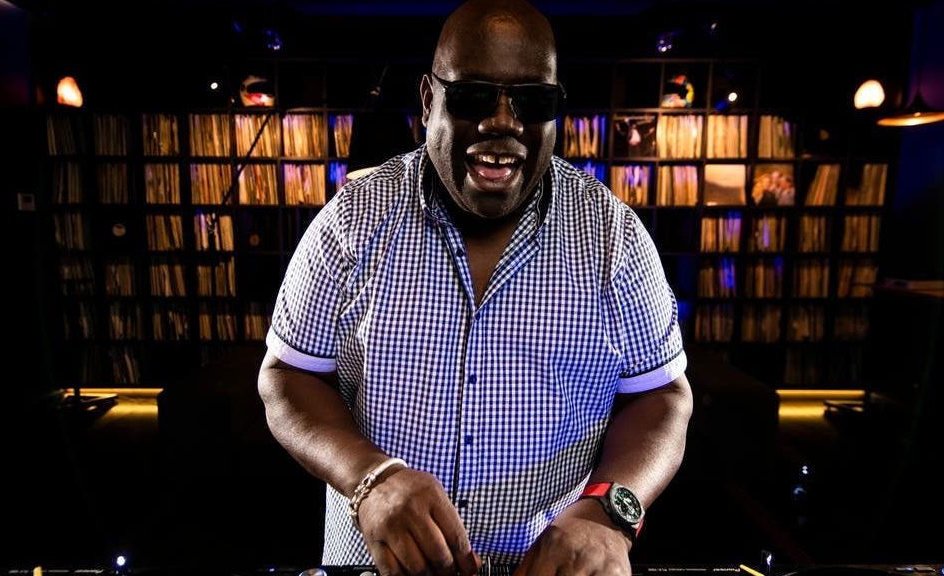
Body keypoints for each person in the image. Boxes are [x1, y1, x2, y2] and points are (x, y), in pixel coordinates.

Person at [257, 1, 693, 574]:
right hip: (375, 567)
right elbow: (286, 376)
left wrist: (607, 514)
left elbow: (662, 396)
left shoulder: (613, 237)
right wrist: (370, 478)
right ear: (428, 99)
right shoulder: (352, 221)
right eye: (472, 96)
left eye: (533, 101)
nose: (502, 123)